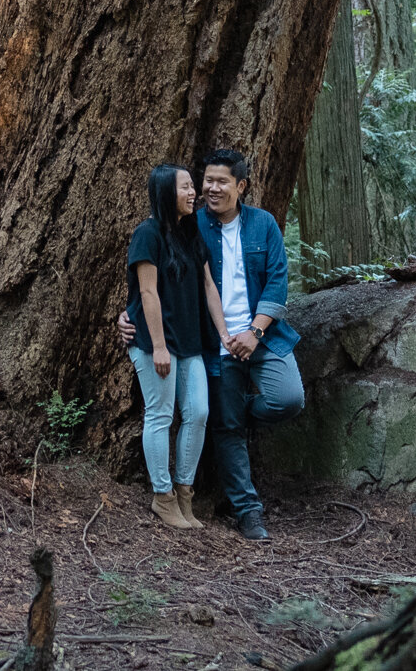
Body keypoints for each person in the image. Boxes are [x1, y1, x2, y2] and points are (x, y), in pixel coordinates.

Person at [119, 147, 303, 540]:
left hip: (257, 336)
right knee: (213, 423)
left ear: (242, 186)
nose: (208, 190)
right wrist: (130, 317)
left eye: (221, 182)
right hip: (203, 345)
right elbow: (152, 287)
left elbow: (273, 282)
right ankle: (245, 510)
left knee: (283, 400)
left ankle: (229, 418)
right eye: (204, 182)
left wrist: (253, 333)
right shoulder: (190, 225)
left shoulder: (261, 225)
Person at [127, 162, 228, 530]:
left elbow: (207, 286)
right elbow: (147, 291)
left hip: (190, 343)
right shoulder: (147, 234)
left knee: (198, 412)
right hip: (155, 342)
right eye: (186, 187)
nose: (194, 193)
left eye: (192, 186)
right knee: (160, 415)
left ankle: (185, 494)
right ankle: (163, 497)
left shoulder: (190, 232)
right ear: (168, 192)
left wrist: (224, 333)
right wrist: (157, 346)